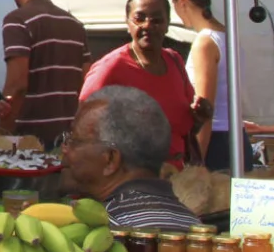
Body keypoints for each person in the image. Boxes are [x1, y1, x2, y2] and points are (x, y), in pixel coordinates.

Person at [79, 0, 202, 163]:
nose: (147, 25)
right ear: (128, 23)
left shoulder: (174, 61)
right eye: (139, 18)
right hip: (132, 181)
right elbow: (83, 124)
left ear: (167, 24)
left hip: (178, 179)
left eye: (157, 20)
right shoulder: (111, 67)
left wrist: (200, 117)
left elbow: (184, 124)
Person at [63, 87, 203, 230]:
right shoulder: (194, 224)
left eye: (74, 141)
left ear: (110, 160)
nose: (64, 149)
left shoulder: (105, 229)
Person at [0, 0, 89, 146]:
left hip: (29, 141)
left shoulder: (17, 20)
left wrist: (2, 133)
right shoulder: (75, 24)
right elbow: (85, 81)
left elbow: (17, 85)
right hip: (68, 139)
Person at [170, 0, 232, 163]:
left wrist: (198, 161)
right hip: (235, 137)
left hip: (213, 142)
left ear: (181, 1)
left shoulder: (205, 43)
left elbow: (205, 109)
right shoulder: (229, 36)